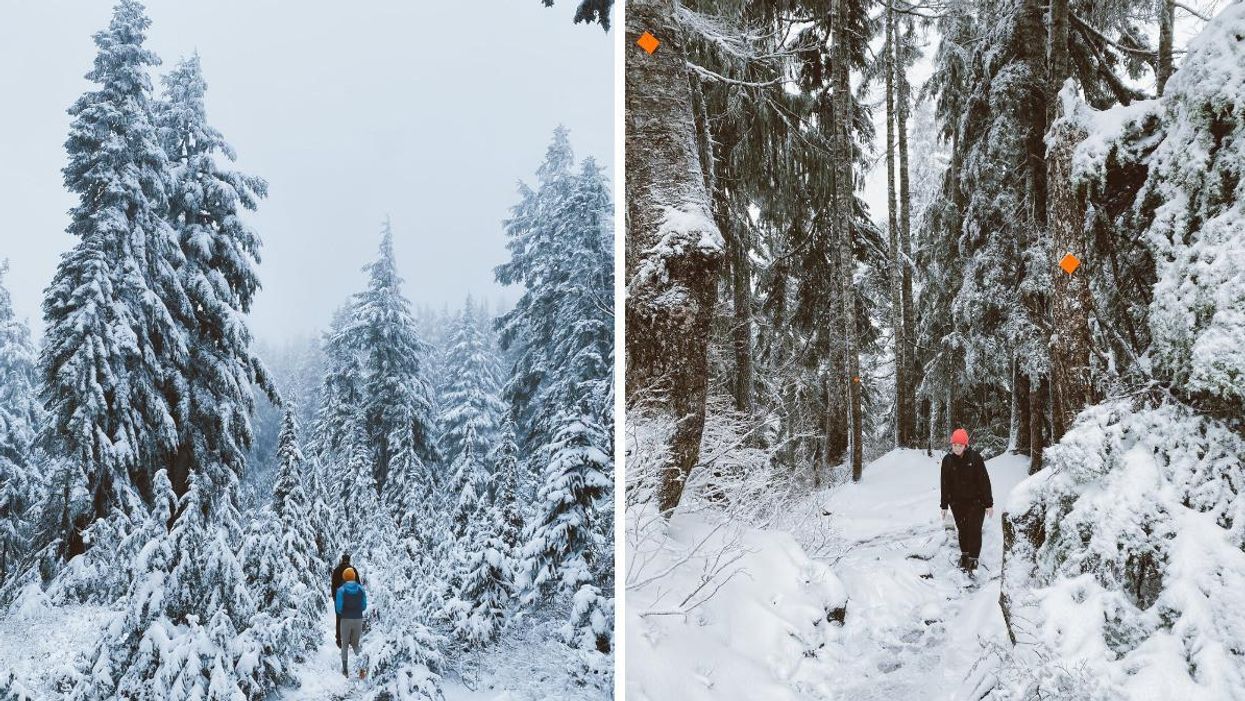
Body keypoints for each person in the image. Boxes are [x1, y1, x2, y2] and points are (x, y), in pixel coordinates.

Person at [939, 428, 993, 574]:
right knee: (962, 529)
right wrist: (944, 505)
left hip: (976, 501)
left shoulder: (975, 458)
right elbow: (945, 483)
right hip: (957, 502)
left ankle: (974, 558)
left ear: (966, 445)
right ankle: (965, 554)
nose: (957, 448)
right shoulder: (947, 460)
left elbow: (984, 481)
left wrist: (988, 503)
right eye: (954, 445)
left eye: (960, 445)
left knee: (974, 529)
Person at [335, 566, 368, 677]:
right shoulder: (361, 589)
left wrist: (345, 611)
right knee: (355, 645)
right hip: (358, 619)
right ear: (353, 577)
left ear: (345, 577)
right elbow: (364, 606)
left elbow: (338, 608)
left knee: (344, 645)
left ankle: (345, 670)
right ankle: (362, 669)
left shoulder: (341, 590)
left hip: (345, 619)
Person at [330, 553, 361, 648]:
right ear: (349, 560)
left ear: (342, 560)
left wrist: (335, 598)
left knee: (339, 619)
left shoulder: (337, 570)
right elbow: (358, 585)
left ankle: (339, 640)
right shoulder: (353, 570)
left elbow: (333, 585)